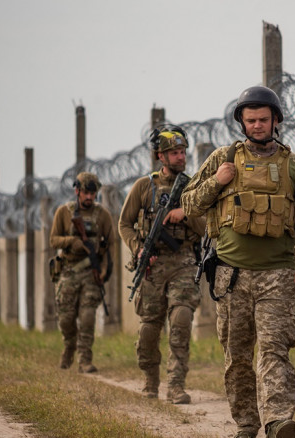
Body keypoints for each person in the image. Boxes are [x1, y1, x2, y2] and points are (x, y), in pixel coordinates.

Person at [181, 86, 295, 438]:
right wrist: (218, 181)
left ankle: (278, 422)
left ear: (275, 120)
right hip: (231, 275)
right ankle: (246, 424)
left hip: (277, 275)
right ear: (242, 122)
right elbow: (190, 205)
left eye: (264, 119)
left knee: (274, 349)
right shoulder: (221, 159)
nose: (258, 125)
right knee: (238, 357)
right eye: (251, 120)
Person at [118, 126, 205, 404]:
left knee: (180, 320)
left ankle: (176, 385)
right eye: (174, 153)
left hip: (184, 262)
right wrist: (139, 248)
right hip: (153, 266)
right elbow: (124, 224)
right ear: (160, 157)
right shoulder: (145, 187)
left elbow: (205, 227)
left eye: (182, 152)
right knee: (148, 329)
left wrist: (185, 213)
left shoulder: (193, 187)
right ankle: (150, 381)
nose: (181, 157)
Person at [49, 172, 113, 373]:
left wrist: (103, 271)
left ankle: (85, 358)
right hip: (68, 271)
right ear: (77, 191)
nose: (89, 197)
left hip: (89, 272)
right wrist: (72, 242)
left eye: (93, 193)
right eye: (85, 192)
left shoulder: (102, 215)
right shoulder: (64, 212)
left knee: (87, 316)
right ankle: (70, 345)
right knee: (66, 318)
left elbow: (110, 245)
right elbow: (53, 240)